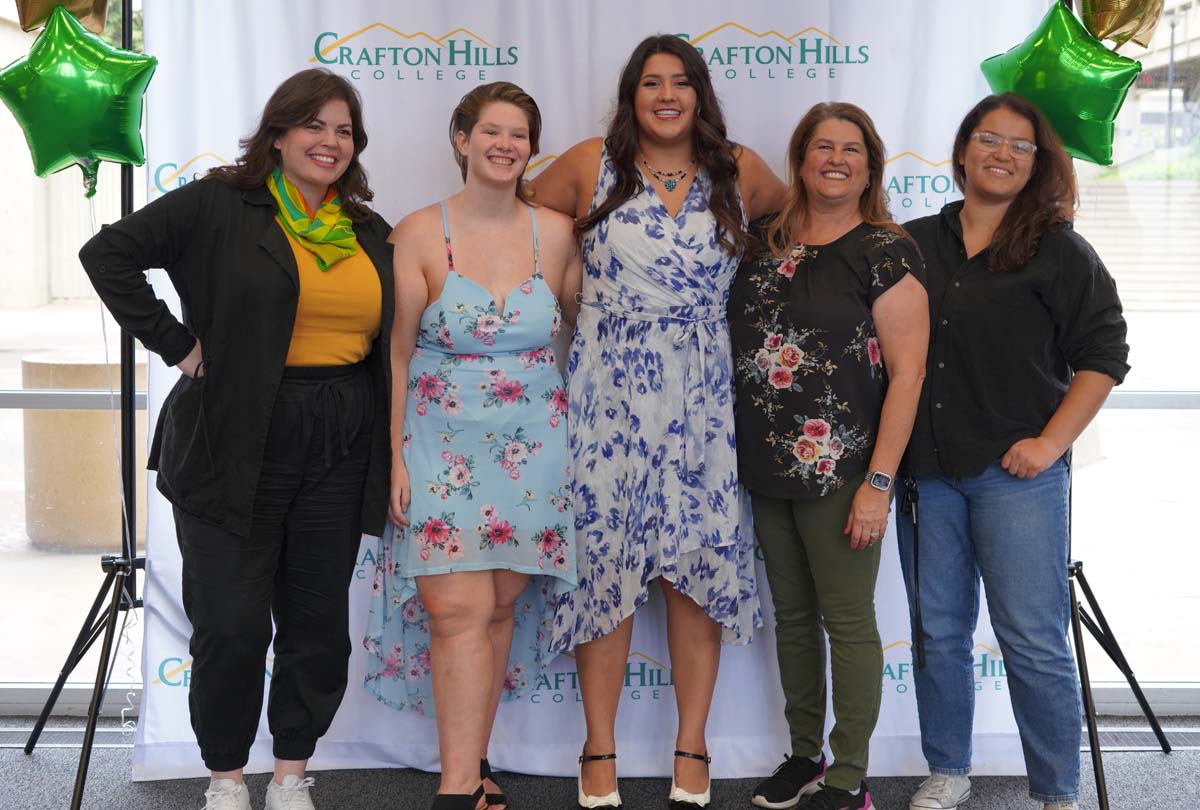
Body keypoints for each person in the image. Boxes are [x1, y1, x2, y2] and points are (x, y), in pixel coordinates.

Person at [78, 69, 393, 810]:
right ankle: (224, 776)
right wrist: (178, 344)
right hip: (232, 435)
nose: (330, 141)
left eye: (343, 130)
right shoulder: (222, 205)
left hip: (339, 437)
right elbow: (109, 255)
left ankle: (290, 774)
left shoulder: (368, 230)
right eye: (314, 125)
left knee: (318, 623)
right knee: (230, 622)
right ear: (279, 134)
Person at [528, 34, 786, 810]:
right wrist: (569, 283)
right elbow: (516, 227)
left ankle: (692, 745)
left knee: (697, 575)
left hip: (705, 393)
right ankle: (597, 748)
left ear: (700, 94)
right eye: (650, 83)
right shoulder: (585, 164)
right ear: (630, 95)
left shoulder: (739, 169)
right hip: (607, 389)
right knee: (603, 567)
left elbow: (801, 221)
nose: (666, 96)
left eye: (680, 83)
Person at [896, 93, 1129, 810]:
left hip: (1017, 477)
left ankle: (1057, 791)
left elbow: (1104, 355)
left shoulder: (1060, 251)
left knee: (1031, 639)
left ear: (1037, 164)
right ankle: (949, 769)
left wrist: (1052, 443)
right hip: (926, 475)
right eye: (989, 139)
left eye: (1019, 145)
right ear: (963, 151)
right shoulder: (910, 242)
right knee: (937, 632)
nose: (1002, 153)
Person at [362, 81, 581, 810]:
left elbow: (580, 333)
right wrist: (392, 455)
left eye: (518, 134)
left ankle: (474, 770)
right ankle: (457, 791)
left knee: (493, 613)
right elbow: (394, 354)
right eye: (490, 130)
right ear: (461, 139)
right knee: (456, 614)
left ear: (532, 148)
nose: (504, 145)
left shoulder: (554, 233)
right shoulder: (419, 232)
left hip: (534, 448)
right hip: (437, 440)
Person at [727, 103, 929, 810]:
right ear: (801, 158)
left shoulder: (886, 249)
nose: (835, 159)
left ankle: (849, 773)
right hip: (764, 464)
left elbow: (908, 373)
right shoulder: (762, 239)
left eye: (852, 149)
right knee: (791, 617)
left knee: (847, 621)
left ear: (870, 165)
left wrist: (879, 481)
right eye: (822, 146)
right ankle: (802, 754)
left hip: (843, 471)